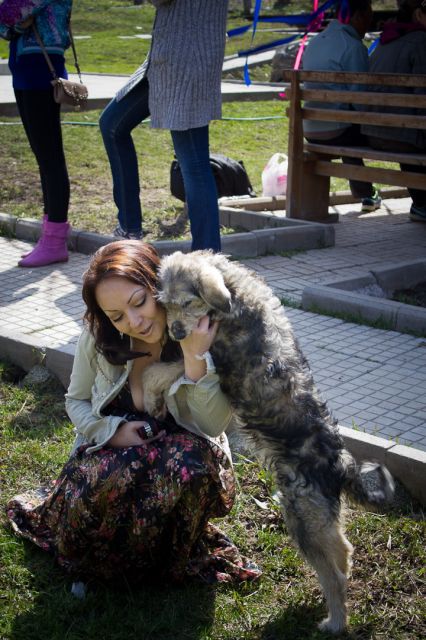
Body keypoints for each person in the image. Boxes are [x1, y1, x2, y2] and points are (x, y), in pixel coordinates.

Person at [6, 241, 261, 588]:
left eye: (139, 302)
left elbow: (212, 424)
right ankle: (111, 558)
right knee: (119, 467)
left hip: (180, 461)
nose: (135, 322)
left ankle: (163, 555)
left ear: (159, 285)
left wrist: (194, 358)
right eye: (117, 316)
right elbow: (76, 400)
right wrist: (112, 431)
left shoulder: (204, 329)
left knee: (189, 460)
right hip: (113, 455)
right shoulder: (98, 337)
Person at [99, 0, 228, 252]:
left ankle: (207, 256)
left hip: (186, 61)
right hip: (166, 60)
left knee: (194, 165)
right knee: (112, 125)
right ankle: (130, 229)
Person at [0, 0, 72, 267]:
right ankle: (49, 237)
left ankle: (55, 241)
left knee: (50, 158)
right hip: (27, 73)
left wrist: (14, 20)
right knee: (44, 157)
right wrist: (15, 23)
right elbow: (8, 22)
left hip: (41, 73)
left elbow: (9, 11)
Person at [302, 0, 382, 213]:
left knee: (347, 126)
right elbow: (361, 101)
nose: (369, 24)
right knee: (377, 131)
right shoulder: (353, 46)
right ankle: (418, 199)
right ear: (356, 16)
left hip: (310, 129)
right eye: (368, 18)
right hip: (338, 131)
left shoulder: (315, 41)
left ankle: (366, 194)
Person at [362, 0, 426, 223]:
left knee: (409, 127)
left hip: (375, 132)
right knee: (415, 130)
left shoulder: (384, 40)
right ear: (419, 15)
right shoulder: (420, 41)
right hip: (403, 135)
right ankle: (422, 203)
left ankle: (421, 203)